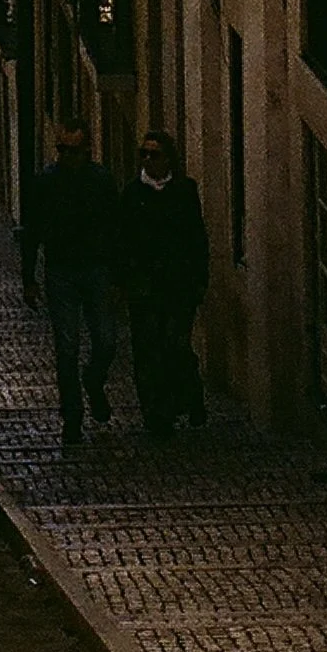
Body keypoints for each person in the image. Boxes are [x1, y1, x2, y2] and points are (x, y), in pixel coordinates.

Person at [20, 115, 120, 451]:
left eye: (74, 150)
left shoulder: (102, 181)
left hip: (97, 269)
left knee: (106, 340)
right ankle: (73, 418)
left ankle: (93, 380)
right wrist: (28, 278)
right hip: (61, 272)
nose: (68, 157)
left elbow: (115, 227)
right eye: (62, 149)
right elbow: (31, 231)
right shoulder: (46, 183)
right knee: (67, 348)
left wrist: (117, 274)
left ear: (87, 150)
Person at [119, 128, 210, 435]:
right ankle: (156, 414)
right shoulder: (131, 195)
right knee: (146, 350)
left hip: (177, 286)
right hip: (144, 288)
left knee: (175, 345)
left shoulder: (184, 191)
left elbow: (197, 238)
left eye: (154, 154)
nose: (147, 160)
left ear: (169, 158)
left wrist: (199, 279)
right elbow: (122, 240)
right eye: (143, 154)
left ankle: (189, 394)